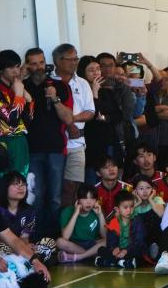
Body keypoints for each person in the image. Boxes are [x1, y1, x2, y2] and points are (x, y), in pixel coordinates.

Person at [23, 47, 73, 238]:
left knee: (55, 197)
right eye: (34, 63)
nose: (38, 67)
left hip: (56, 150)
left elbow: (69, 118)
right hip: (32, 149)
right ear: (27, 65)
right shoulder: (22, 86)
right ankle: (32, 237)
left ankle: (51, 239)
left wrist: (55, 98)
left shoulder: (60, 86)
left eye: (41, 62)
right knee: (35, 196)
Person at [53, 44, 96, 205]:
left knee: (72, 186)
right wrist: (68, 122)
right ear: (57, 61)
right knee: (54, 188)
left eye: (76, 58)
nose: (74, 62)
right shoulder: (50, 81)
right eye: (70, 59)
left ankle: (68, 222)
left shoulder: (83, 83)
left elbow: (90, 112)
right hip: (55, 143)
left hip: (77, 142)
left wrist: (71, 119)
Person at [0, 171, 56, 264]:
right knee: (2, 249)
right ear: (5, 187)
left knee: (50, 243)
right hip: (0, 247)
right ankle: (28, 261)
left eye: (24, 184)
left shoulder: (29, 210)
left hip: (20, 246)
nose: (21, 187)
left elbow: (25, 237)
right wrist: (18, 246)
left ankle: (26, 261)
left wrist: (26, 246)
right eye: (16, 184)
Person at [79, 55, 124, 177]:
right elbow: (93, 116)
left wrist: (106, 118)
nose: (96, 73)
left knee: (111, 176)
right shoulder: (79, 92)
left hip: (109, 139)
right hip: (91, 142)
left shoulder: (107, 91)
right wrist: (94, 93)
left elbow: (118, 115)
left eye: (98, 69)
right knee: (93, 178)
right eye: (91, 70)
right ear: (82, 72)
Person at [0, 50, 31, 177]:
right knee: (6, 181)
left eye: (17, 66)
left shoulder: (16, 87)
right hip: (4, 142)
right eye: (10, 67)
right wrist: (18, 95)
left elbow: (29, 119)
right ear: (0, 69)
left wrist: (28, 100)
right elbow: (11, 121)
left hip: (20, 141)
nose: (15, 71)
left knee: (21, 180)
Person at [57, 185, 105, 263]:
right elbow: (65, 237)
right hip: (74, 245)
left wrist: (100, 215)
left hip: (92, 243)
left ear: (96, 201)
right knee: (60, 242)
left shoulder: (96, 211)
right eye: (85, 198)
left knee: (108, 240)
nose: (89, 202)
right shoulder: (68, 211)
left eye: (92, 198)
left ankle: (80, 257)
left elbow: (104, 236)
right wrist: (76, 213)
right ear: (78, 200)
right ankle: (91, 255)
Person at [95, 190, 143, 268]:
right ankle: (123, 263)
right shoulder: (114, 222)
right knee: (101, 249)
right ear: (117, 209)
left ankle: (109, 262)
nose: (129, 210)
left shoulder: (137, 220)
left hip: (130, 250)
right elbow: (110, 240)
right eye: (125, 207)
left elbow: (139, 241)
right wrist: (114, 249)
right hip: (119, 251)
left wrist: (126, 250)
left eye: (131, 207)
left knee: (140, 252)